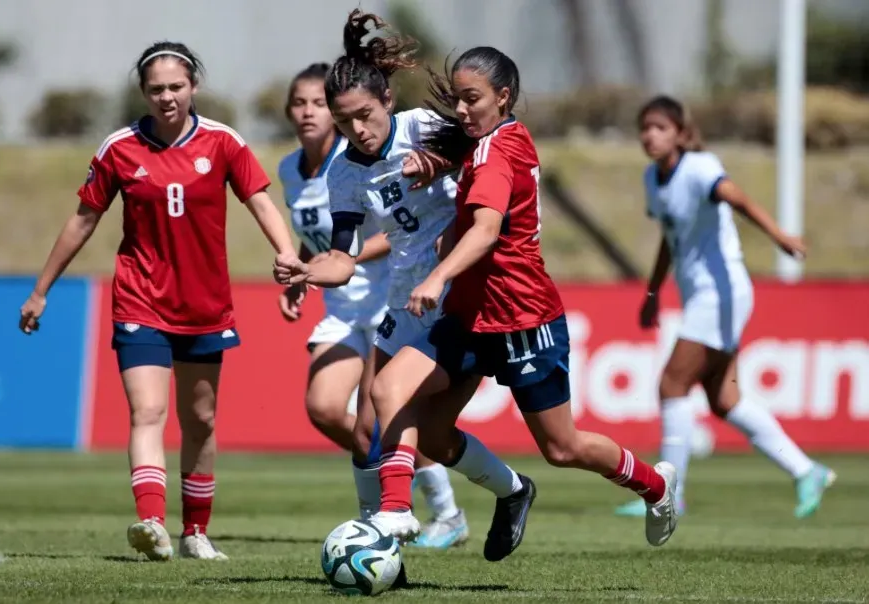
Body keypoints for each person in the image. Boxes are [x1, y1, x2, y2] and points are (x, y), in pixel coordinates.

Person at [327, 46, 682, 560]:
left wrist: (438, 275)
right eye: (458, 99)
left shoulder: (496, 153)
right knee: (394, 394)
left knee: (563, 448)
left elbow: (487, 231)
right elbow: (455, 182)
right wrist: (437, 164)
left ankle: (655, 486)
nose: (462, 110)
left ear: (504, 96)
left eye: (472, 99)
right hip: (467, 316)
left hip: (520, 317)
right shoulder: (485, 142)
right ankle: (398, 510)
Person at [19, 41, 298, 561]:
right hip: (139, 300)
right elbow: (83, 220)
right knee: (147, 410)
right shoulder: (118, 149)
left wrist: (288, 258)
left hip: (204, 306)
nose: (167, 97)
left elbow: (260, 201)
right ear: (143, 93)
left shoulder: (223, 143)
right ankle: (151, 521)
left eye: (176, 87)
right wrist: (41, 291)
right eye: (156, 89)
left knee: (201, 421)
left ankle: (195, 531)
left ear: (193, 86)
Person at [612, 95, 836, 519]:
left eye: (660, 127)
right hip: (701, 296)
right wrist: (653, 293)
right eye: (645, 127)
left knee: (672, 385)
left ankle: (668, 495)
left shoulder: (699, 168)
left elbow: (736, 197)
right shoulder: (652, 178)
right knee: (723, 399)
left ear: (680, 133)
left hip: (723, 292)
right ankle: (807, 470)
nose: (650, 135)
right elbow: (670, 237)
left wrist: (779, 236)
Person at [276, 59, 467, 549]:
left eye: (359, 114)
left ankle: (443, 509)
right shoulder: (334, 173)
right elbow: (337, 254)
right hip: (374, 302)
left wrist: (444, 161)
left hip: (441, 290)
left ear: (387, 100)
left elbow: (490, 151)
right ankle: (377, 529)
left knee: (399, 415)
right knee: (358, 424)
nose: (354, 129)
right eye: (344, 120)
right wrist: (307, 271)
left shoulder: (423, 126)